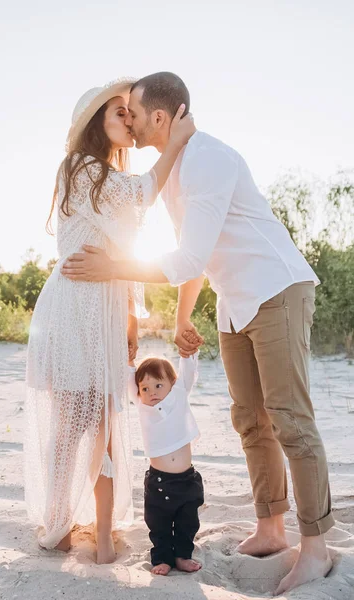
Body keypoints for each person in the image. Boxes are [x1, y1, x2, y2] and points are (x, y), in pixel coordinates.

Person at [61, 72, 334, 592]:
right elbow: (197, 254)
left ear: (160, 117)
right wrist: (185, 317)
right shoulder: (176, 169)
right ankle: (272, 528)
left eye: (134, 115)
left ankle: (316, 545)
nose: (130, 124)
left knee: (290, 421)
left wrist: (113, 266)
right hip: (236, 301)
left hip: (276, 288)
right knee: (250, 421)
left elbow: (186, 256)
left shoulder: (206, 158)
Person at [24, 76, 195, 564]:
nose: (128, 118)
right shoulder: (79, 167)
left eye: (129, 111)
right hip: (73, 306)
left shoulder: (105, 178)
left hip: (103, 309)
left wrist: (131, 321)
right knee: (76, 424)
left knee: (101, 420)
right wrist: (176, 142)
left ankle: (98, 534)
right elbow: (144, 193)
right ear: (94, 121)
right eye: (118, 111)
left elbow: (122, 254)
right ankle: (66, 527)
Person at [128, 353, 204, 576]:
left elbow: (188, 372)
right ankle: (162, 558)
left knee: (187, 522)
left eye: (159, 385)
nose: (152, 393)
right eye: (145, 389)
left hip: (187, 480)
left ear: (173, 383)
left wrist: (186, 353)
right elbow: (129, 379)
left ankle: (182, 556)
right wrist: (129, 359)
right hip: (158, 482)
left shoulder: (179, 395)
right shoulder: (144, 407)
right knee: (158, 524)